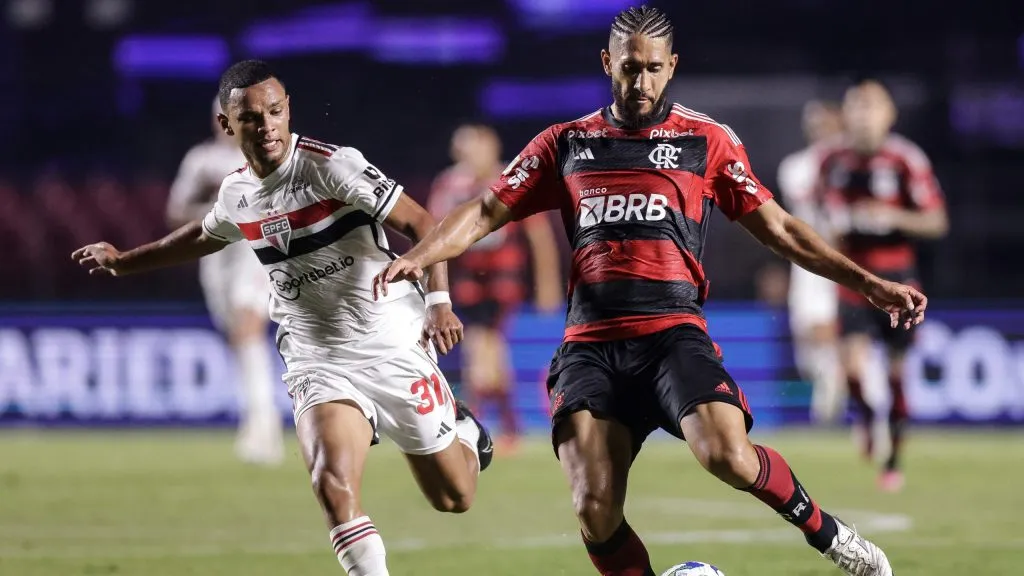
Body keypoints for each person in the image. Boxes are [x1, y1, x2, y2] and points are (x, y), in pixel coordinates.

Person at [373, 6, 926, 576]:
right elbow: (484, 211)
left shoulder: (704, 141)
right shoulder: (566, 143)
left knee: (727, 455)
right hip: (591, 344)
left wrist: (867, 283)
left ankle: (831, 537)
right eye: (630, 68)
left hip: (672, 334)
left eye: (654, 69)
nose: (641, 83)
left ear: (672, 67)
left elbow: (782, 229)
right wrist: (420, 255)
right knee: (594, 507)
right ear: (608, 62)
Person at [73, 60, 492, 576]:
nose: (267, 125)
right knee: (332, 484)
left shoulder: (332, 166)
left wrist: (438, 302)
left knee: (455, 497)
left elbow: (425, 222)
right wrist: (124, 260)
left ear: (288, 109)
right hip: (316, 357)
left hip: (392, 342)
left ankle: (466, 433)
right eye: (251, 118)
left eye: (275, 111)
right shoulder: (235, 192)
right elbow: (203, 235)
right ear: (229, 126)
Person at [818, 80, 948, 492]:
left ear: (888, 115)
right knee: (852, 368)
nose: (863, 115)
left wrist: (893, 219)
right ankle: (867, 418)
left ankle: (893, 459)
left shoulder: (906, 160)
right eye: (856, 106)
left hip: (898, 281)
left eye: (872, 107)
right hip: (853, 280)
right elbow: (824, 211)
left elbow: (936, 221)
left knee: (896, 374)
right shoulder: (831, 160)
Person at [427, 123, 563, 452]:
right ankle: (508, 427)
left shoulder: (510, 179)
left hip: (502, 283)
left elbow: (538, 235)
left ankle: (473, 427)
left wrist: (548, 283)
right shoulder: (448, 185)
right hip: (468, 284)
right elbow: (433, 237)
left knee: (481, 354)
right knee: (490, 357)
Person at [167, 97, 283, 466]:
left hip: (253, 252)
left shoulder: (268, 156)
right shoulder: (201, 161)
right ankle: (256, 419)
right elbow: (176, 211)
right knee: (237, 336)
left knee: (248, 328)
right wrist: (213, 214)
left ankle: (264, 428)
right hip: (214, 255)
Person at [776, 100, 847, 425]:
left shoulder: (850, 165)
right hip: (805, 262)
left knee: (828, 332)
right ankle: (832, 387)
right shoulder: (795, 166)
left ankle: (830, 409)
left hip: (842, 261)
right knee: (807, 347)